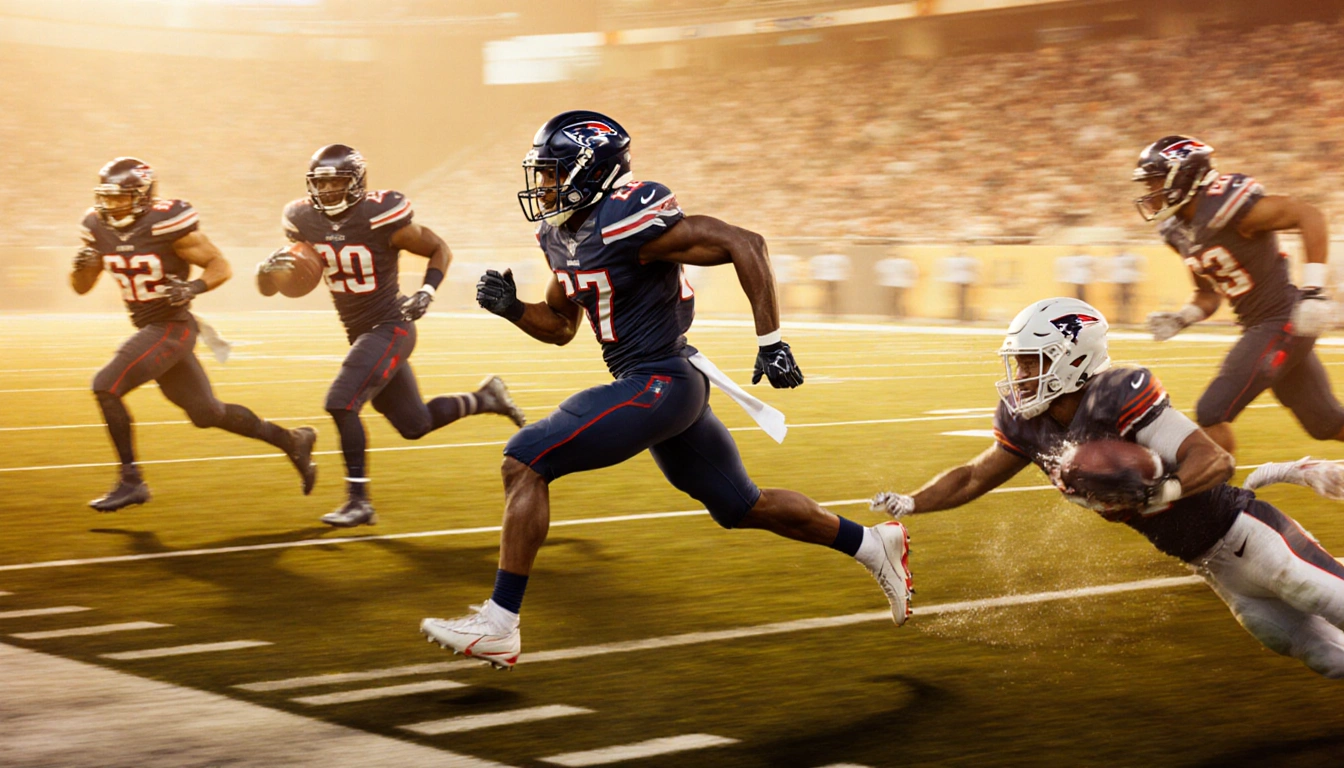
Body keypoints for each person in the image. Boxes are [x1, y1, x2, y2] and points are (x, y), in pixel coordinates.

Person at [419, 111, 913, 668]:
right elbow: (560, 326)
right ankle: (873, 544)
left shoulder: (628, 215)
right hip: (659, 383)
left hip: (662, 379)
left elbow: (744, 242)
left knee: (526, 459)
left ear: (590, 169)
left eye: (554, 174)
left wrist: (771, 340)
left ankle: (501, 623)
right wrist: (512, 309)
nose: (545, 187)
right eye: (543, 175)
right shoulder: (559, 235)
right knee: (740, 505)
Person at [873, 297, 1344, 679]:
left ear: (1074, 359)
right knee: (1326, 657)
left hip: (1248, 535)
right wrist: (913, 502)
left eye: (1032, 362)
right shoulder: (1028, 422)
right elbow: (973, 475)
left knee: (1316, 592)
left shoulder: (1117, 393)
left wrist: (1162, 492)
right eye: (1018, 363)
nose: (1021, 376)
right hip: (1209, 565)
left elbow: (1215, 460)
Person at [257, 144, 525, 528]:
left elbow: (438, 248)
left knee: (341, 401)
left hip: (391, 325)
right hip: (361, 332)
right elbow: (274, 289)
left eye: (337, 182)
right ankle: (486, 398)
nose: (328, 191)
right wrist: (266, 272)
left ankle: (358, 501)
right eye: (322, 183)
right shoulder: (304, 219)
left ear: (356, 183)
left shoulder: (380, 215)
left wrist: (426, 292)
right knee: (413, 424)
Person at [72, 157, 317, 512]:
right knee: (207, 413)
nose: (112, 205)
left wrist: (192, 287)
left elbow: (220, 265)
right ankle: (293, 440)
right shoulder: (97, 226)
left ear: (142, 196)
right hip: (153, 330)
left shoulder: (165, 223)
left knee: (106, 385)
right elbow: (81, 287)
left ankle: (131, 481)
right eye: (107, 197)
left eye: (121, 197)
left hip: (172, 326)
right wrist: (81, 269)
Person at [1131, 136, 1344, 500]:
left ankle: (1226, 510)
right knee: (1325, 422)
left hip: (1285, 319)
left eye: (1155, 179)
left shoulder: (1227, 206)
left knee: (1212, 409)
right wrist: (1183, 317)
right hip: (1267, 325)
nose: (1150, 190)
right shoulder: (1178, 230)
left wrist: (1313, 290)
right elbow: (1208, 294)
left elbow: (1309, 214)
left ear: (1183, 177)